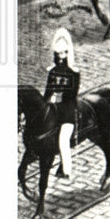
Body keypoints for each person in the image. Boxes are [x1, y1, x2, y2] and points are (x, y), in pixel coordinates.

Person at [44, 28, 80, 180]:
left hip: (67, 112)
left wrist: (57, 97)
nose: (61, 57)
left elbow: (72, 94)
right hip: (53, 110)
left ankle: (66, 169)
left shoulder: (74, 72)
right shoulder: (52, 72)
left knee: (63, 139)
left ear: (68, 53)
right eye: (58, 54)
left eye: (63, 53)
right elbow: (47, 91)